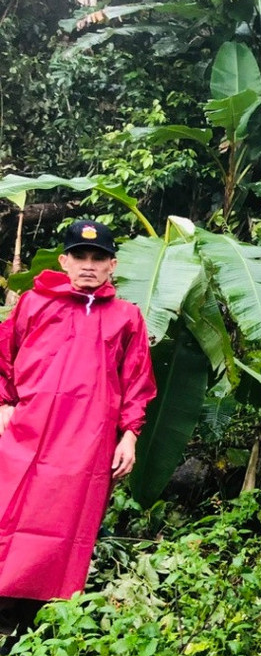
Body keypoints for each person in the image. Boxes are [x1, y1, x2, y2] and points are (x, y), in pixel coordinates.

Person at [0, 220, 156, 618]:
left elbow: (137, 380)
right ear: (65, 261)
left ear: (112, 265)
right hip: (26, 435)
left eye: (98, 258)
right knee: (8, 513)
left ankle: (34, 622)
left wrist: (130, 436)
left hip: (87, 444)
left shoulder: (127, 317)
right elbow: (5, 354)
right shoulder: (34, 304)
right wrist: (3, 404)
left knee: (64, 528)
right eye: (81, 256)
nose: (89, 265)